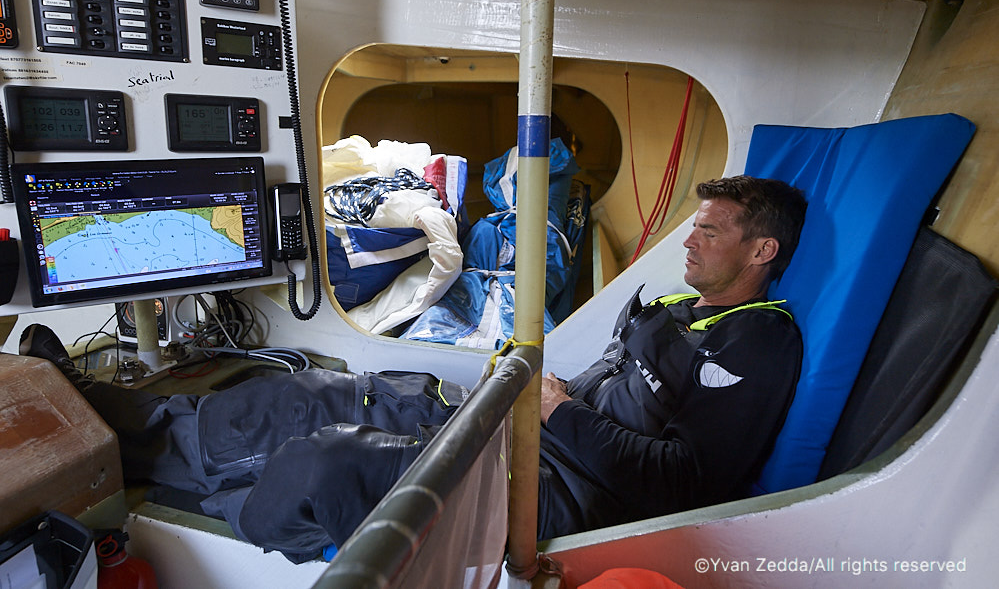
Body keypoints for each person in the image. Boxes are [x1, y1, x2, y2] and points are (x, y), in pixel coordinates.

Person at [18, 174, 806, 562]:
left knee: (325, 461)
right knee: (305, 394)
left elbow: (681, 485)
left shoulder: (758, 345)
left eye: (710, 232)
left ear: (761, 251)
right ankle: (92, 412)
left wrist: (559, 411)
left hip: (558, 495)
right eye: (693, 227)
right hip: (522, 439)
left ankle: (188, 489)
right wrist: (543, 404)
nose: (688, 241)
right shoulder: (679, 309)